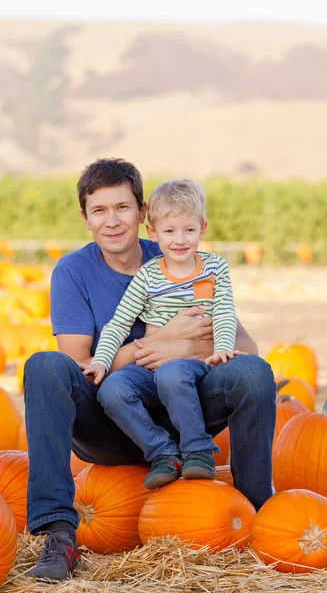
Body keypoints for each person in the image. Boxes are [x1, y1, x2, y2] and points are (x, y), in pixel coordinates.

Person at [24, 158, 276, 582]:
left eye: (122, 207)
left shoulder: (179, 251)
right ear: (85, 218)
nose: (112, 221)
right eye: (99, 210)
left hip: (185, 416)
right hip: (111, 422)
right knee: (45, 366)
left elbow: (246, 347)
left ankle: (257, 515)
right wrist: (157, 342)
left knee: (253, 372)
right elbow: (81, 365)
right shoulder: (73, 272)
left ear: (143, 214)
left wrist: (184, 344)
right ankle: (59, 533)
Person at [80, 178, 242, 490]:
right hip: (148, 367)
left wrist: (221, 347)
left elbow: (224, 312)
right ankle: (163, 452)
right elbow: (118, 323)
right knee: (111, 391)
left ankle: (198, 451)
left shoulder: (214, 267)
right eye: (169, 232)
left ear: (202, 228)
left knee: (171, 374)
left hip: (191, 362)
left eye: (188, 230)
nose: (180, 240)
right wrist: (101, 361)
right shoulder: (148, 275)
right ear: (153, 232)